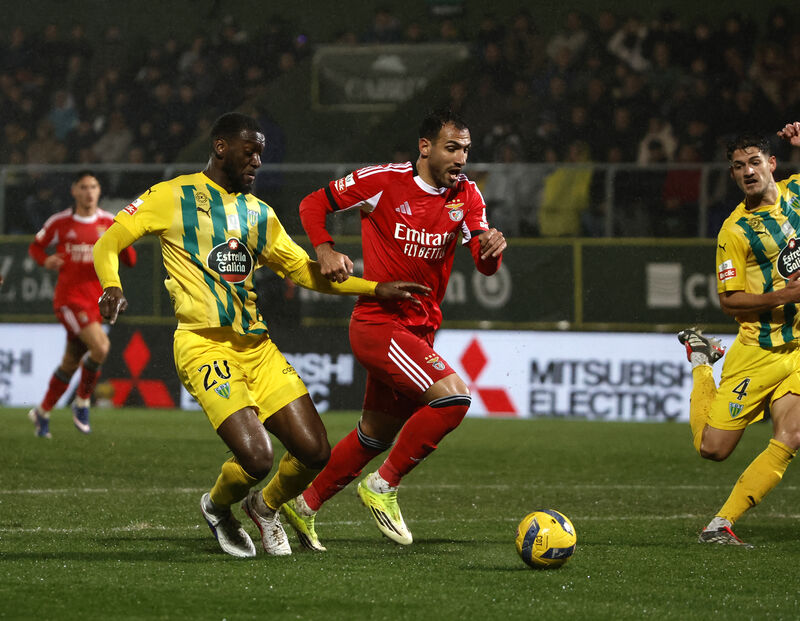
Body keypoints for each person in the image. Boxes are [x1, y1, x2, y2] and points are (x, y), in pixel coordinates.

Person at [93, 112, 427, 558]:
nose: (257, 162)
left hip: (259, 348)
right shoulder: (172, 195)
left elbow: (305, 272)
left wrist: (373, 287)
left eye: (261, 155)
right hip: (203, 343)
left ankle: (264, 507)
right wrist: (111, 284)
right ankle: (217, 507)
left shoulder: (259, 213)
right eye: (249, 152)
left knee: (314, 451)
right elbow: (108, 243)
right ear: (220, 148)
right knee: (257, 457)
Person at [283, 107, 507, 550]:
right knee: (455, 398)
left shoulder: (468, 196)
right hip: (379, 323)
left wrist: (493, 250)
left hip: (420, 331)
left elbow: (483, 264)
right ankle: (382, 486)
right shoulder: (383, 181)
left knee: (375, 433)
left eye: (465, 149)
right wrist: (325, 249)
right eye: (451, 148)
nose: (460, 158)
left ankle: (302, 504)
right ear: (425, 148)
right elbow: (313, 203)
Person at [678, 121, 800, 547]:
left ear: (772, 164)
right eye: (738, 166)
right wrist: (786, 293)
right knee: (713, 449)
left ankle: (720, 525)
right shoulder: (734, 231)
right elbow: (730, 301)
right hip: (758, 351)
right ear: (732, 175)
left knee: (794, 433)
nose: (747, 171)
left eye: (754, 162)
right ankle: (701, 362)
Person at [27, 171, 138, 438]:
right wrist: (46, 261)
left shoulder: (109, 222)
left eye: (94, 186)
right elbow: (35, 248)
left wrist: (126, 237)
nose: (89, 192)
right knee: (101, 347)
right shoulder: (60, 222)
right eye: (84, 187)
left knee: (71, 361)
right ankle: (83, 402)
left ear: (99, 191)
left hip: (95, 302)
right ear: (74, 191)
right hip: (69, 300)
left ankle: (41, 413)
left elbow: (131, 261)